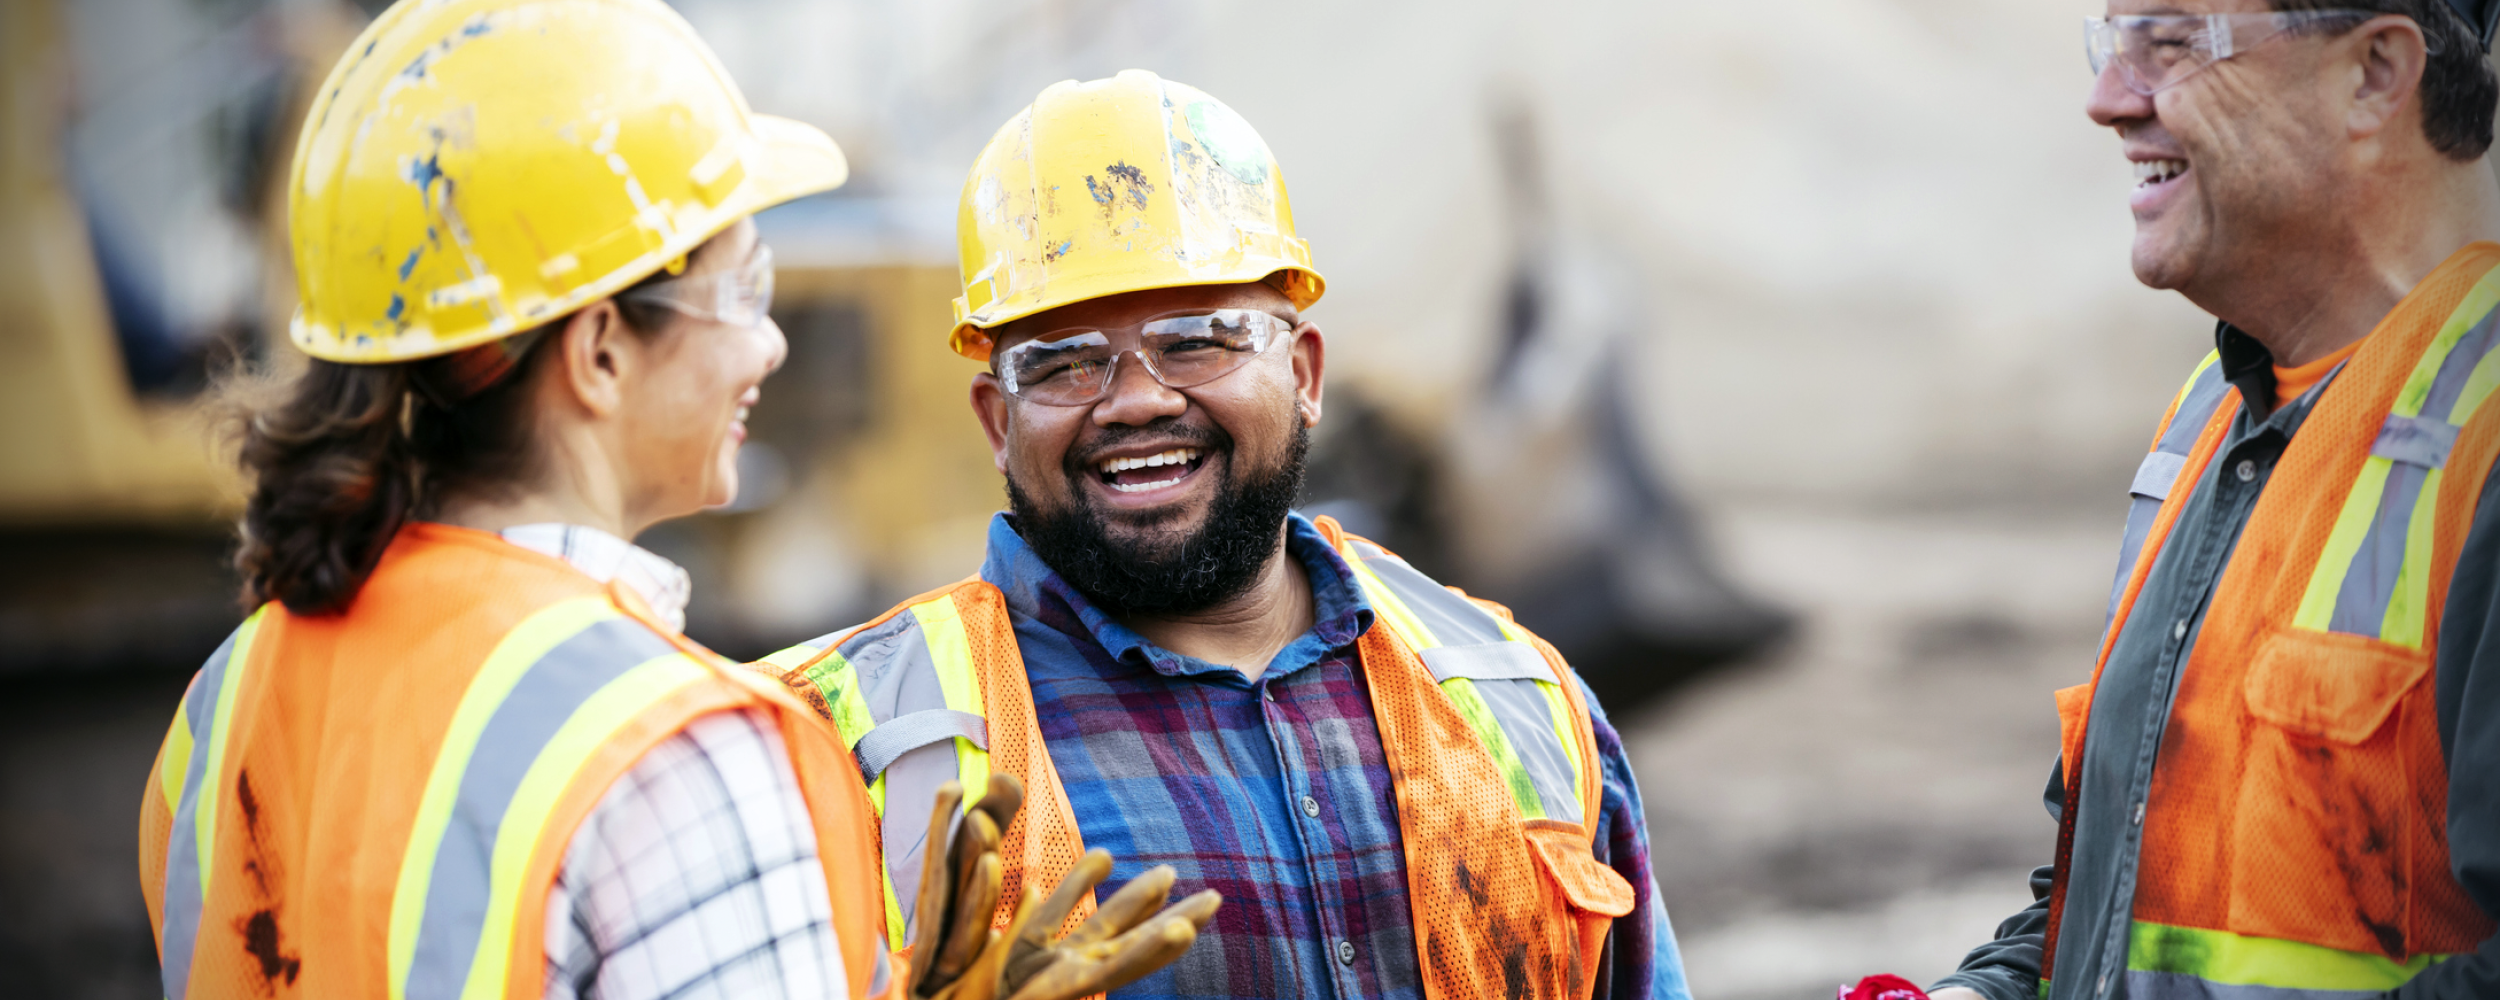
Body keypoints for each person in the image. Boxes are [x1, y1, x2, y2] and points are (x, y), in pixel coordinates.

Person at [135, 3, 1213, 998]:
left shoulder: (228, 695)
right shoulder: (684, 751)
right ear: (600, 350)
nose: (770, 340)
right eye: (742, 291)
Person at [757, 70, 1691, 1000]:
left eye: (1198, 338)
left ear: (1306, 374)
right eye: (1064, 363)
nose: (1137, 400)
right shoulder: (829, 749)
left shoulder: (1516, 691)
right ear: (998, 422)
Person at [1909, 1, 2500, 999]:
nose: (2106, 99)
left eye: (2170, 42)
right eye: (2111, 45)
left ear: (2373, 74)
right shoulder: (2210, 417)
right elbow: (2112, 905)